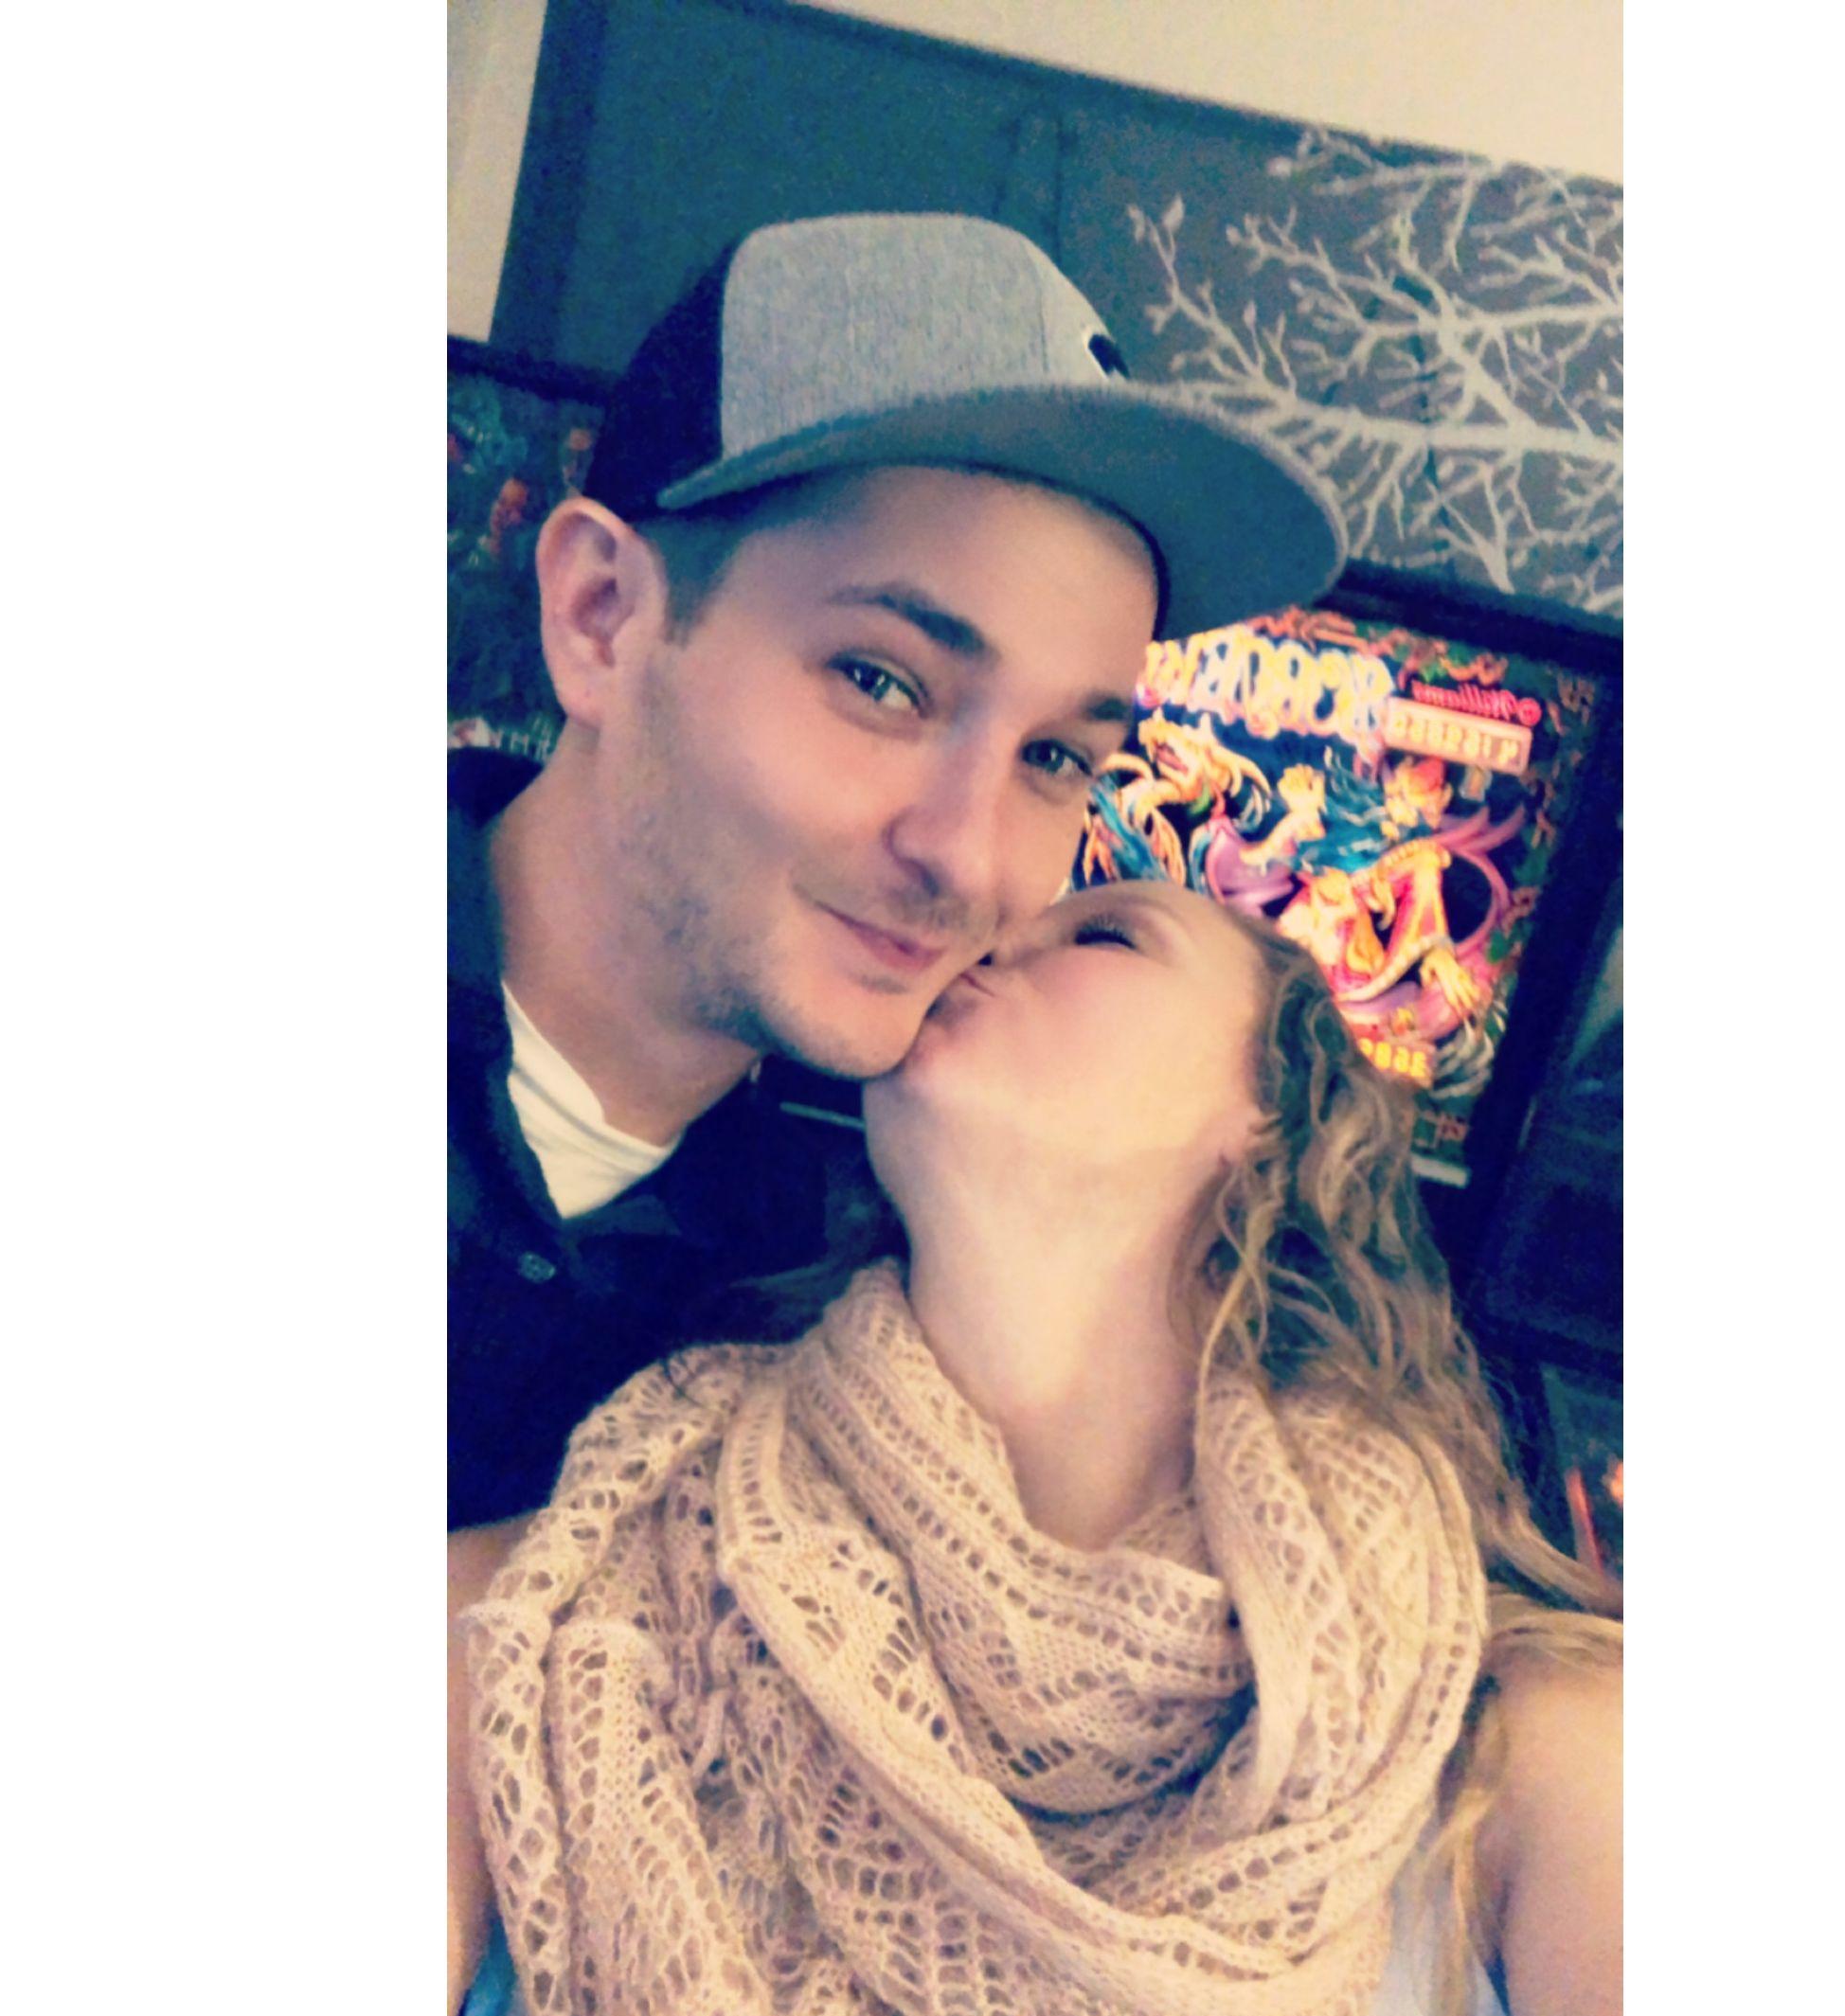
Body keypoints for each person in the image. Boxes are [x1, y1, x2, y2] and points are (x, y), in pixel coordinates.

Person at [451, 878, 1621, 2016]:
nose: (977, 942)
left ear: (1273, 1118)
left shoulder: (1532, 1760)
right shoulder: (541, 1610)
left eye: (1105, 934)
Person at [450, 210, 1347, 1534]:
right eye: (883, 683)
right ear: (603, 616)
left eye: (1056, 758)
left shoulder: (826, 1294)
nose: (965, 857)